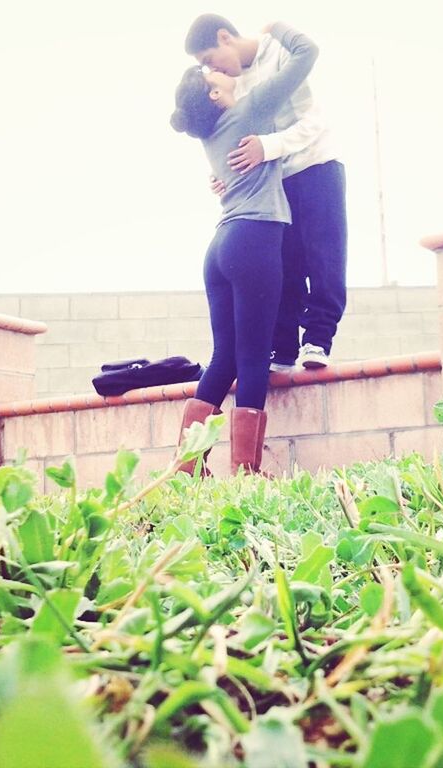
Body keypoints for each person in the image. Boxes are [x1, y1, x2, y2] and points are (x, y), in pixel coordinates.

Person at [170, 22, 318, 475]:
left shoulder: (210, 135)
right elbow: (306, 54)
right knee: (253, 359)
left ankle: (186, 467)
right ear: (215, 95)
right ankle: (246, 474)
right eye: (207, 74)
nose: (210, 69)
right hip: (253, 240)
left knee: (225, 358)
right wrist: (278, 29)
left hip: (219, 250)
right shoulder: (249, 111)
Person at [185, 14, 347, 372]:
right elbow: (233, 134)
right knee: (284, 266)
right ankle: (284, 349)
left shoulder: (277, 53)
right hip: (275, 185)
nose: (214, 70)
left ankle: (318, 341)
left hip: (316, 165)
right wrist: (222, 174)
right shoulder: (232, 86)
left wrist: (268, 146)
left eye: (209, 60)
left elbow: (315, 120)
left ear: (225, 37)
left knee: (325, 259)